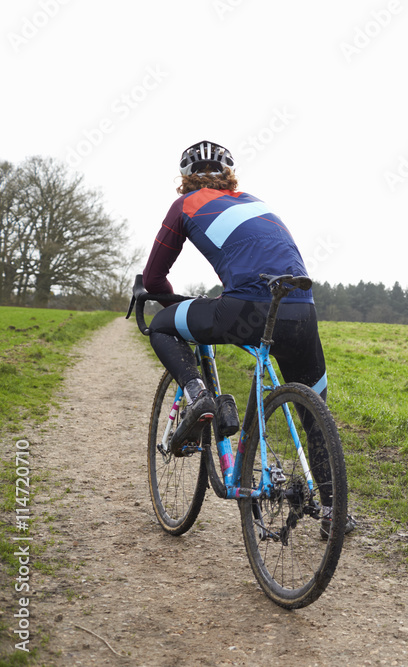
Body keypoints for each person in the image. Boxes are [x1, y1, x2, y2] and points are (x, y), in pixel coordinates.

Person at [142, 140, 353, 536]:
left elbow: (154, 280)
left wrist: (172, 301)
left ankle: (197, 394)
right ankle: (332, 512)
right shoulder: (256, 202)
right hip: (301, 309)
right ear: (229, 176)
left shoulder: (185, 206)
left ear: (186, 178)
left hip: (243, 309)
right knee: (314, 415)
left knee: (162, 326)